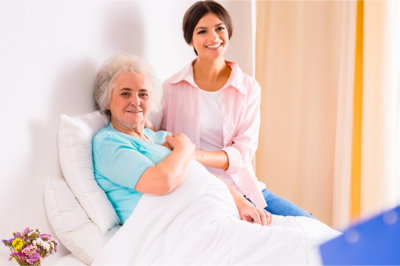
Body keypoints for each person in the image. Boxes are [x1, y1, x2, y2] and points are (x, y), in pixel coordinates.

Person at [159, 0, 312, 217]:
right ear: (190, 40)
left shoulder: (248, 87)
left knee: (309, 224)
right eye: (202, 31)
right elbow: (156, 139)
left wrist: (194, 155)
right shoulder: (171, 88)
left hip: (243, 186)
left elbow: (243, 152)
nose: (213, 37)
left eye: (219, 28)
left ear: (228, 32)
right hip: (195, 188)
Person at [92, 53, 272, 226]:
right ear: (108, 100)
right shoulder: (108, 142)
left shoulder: (160, 137)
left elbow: (205, 175)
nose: (136, 101)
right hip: (174, 225)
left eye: (143, 94)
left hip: (216, 211)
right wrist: (185, 149)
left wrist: (243, 204)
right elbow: (162, 182)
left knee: (297, 231)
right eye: (125, 94)